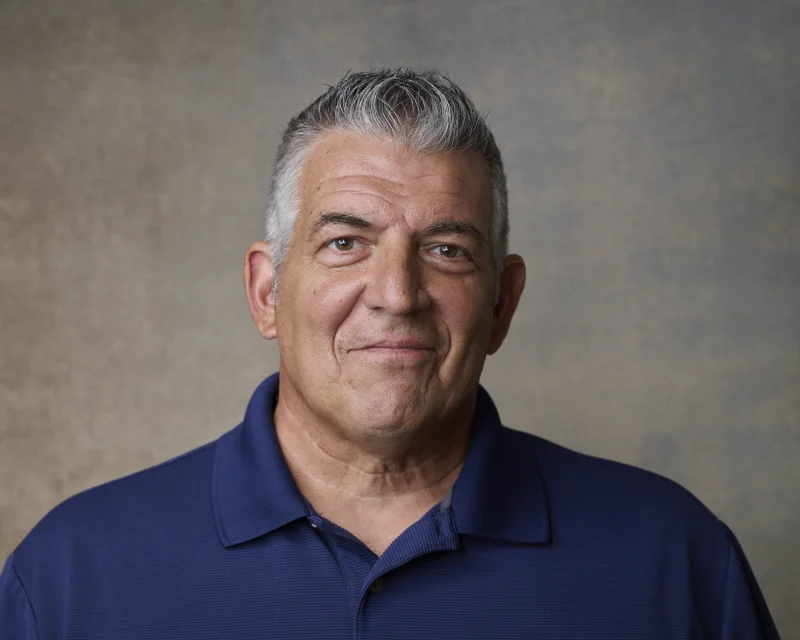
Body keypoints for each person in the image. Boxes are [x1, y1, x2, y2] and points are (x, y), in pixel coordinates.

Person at [0, 68, 780, 640]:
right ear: (267, 291)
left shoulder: (674, 560)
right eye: (346, 242)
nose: (396, 293)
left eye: (445, 250)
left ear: (503, 303)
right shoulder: (73, 574)